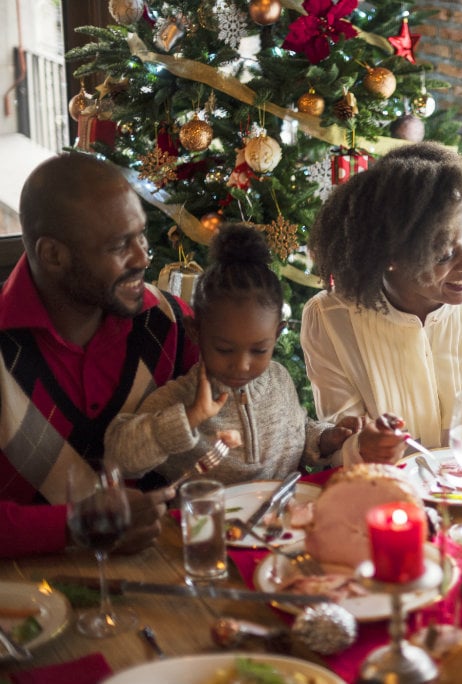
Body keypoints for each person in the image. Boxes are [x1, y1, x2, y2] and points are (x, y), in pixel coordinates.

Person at [301, 141, 462, 465]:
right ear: (390, 257)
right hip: (393, 500)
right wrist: (361, 447)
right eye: (445, 254)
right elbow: (338, 446)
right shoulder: (331, 319)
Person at [0, 153, 199, 557]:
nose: (143, 257)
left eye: (141, 236)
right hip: (30, 603)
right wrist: (74, 528)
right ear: (54, 255)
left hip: (169, 581)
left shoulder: (171, 324)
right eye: (119, 245)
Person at [105, 224, 359, 485]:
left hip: (288, 513)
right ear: (195, 332)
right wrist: (190, 417)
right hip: (211, 521)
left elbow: (297, 432)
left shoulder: (279, 379)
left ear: (277, 334)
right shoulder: (178, 399)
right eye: (224, 349)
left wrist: (326, 438)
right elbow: (119, 457)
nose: (242, 365)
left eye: (259, 350)